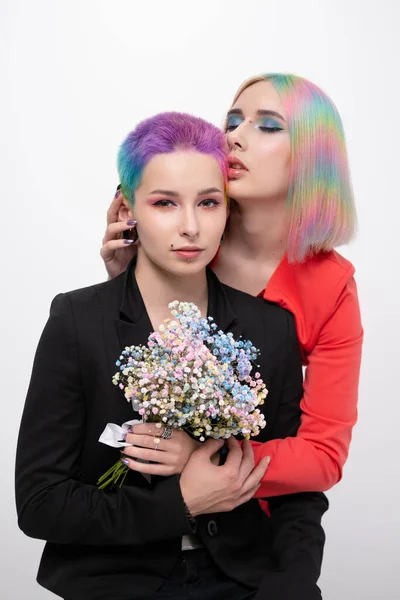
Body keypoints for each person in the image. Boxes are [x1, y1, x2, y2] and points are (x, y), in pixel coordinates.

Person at [16, 112, 327, 600]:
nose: (190, 227)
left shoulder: (270, 326)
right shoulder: (78, 321)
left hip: (243, 580)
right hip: (115, 582)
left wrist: (289, 588)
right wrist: (181, 502)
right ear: (128, 207)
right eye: (164, 203)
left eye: (208, 202)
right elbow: (39, 503)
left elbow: (298, 495)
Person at [101, 73, 363, 499]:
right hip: (143, 499)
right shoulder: (187, 239)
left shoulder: (332, 287)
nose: (235, 137)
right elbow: (122, 376)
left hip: (251, 524)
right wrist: (125, 282)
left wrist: (204, 457)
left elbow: (322, 455)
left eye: (269, 125)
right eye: (234, 121)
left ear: (312, 157)